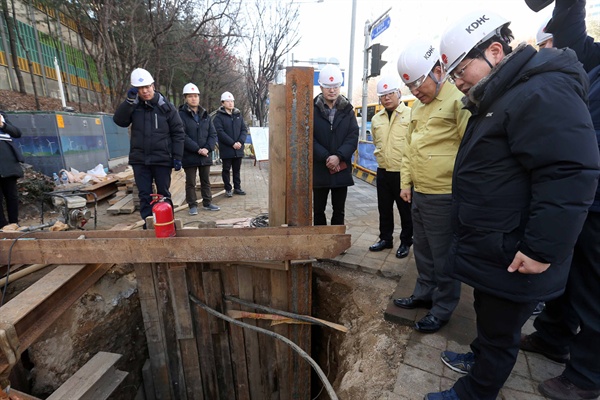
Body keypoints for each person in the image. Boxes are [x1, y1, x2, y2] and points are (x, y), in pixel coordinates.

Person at [424, 9, 600, 400]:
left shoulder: (540, 91)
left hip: (516, 247)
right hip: (497, 244)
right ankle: (481, 357)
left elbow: (569, 172)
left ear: (495, 51)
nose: (456, 82)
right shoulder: (506, 92)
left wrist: (540, 248)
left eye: (459, 70)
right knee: (491, 319)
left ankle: (475, 392)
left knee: (502, 328)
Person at [519, 1, 600, 399]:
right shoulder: (593, 59)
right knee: (571, 276)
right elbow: (569, 34)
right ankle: (553, 334)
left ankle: (586, 376)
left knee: (594, 289)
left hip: (596, 198)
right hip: (584, 194)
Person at [393, 38, 470, 334]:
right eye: (410, 86)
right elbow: (410, 150)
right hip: (420, 193)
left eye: (418, 84)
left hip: (445, 195)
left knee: (444, 256)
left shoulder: (457, 100)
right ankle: (424, 293)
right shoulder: (418, 108)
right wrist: (406, 183)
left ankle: (443, 307)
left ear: (438, 70)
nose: (415, 91)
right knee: (423, 250)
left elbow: (469, 150)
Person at [113, 68, 185, 227]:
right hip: (140, 160)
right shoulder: (134, 106)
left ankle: (167, 223)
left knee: (163, 194)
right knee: (144, 195)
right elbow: (120, 121)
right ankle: (148, 224)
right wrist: (128, 102)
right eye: (140, 88)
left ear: (153, 85)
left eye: (147, 87)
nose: (145, 91)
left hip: (162, 159)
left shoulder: (165, 107)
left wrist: (178, 157)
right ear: (135, 90)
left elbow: (178, 133)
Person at [367, 75, 413, 258]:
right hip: (383, 170)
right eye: (383, 95)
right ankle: (385, 239)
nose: (386, 98)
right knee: (384, 208)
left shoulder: (411, 114)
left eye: (390, 93)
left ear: (399, 93)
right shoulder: (377, 119)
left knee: (405, 211)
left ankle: (406, 241)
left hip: (403, 172)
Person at [312, 64, 359, 226]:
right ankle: (320, 239)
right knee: (318, 209)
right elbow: (309, 138)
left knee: (339, 209)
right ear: (321, 86)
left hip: (341, 167)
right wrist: (326, 157)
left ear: (340, 87)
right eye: (327, 87)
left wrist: (338, 156)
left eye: (335, 86)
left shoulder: (347, 110)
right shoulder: (312, 109)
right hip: (320, 166)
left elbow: (353, 136)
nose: (332, 90)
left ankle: (337, 240)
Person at [179, 83, 220, 214]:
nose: (193, 99)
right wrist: (197, 149)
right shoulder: (180, 115)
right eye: (190, 96)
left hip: (205, 155)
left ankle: (207, 202)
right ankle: (192, 205)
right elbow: (182, 135)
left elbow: (212, 134)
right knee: (190, 182)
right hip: (190, 155)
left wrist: (208, 148)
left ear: (199, 98)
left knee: (205, 180)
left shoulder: (205, 115)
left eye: (195, 96)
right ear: (185, 98)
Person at [213, 91, 248, 197]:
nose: (230, 103)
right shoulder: (218, 117)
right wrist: (232, 143)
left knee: (237, 169)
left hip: (238, 148)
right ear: (222, 103)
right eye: (228, 101)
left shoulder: (238, 115)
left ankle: (237, 187)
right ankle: (228, 188)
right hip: (227, 148)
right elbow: (220, 132)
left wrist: (240, 142)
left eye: (232, 101)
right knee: (226, 169)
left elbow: (244, 130)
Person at [0, 112, 24, 229]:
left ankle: (14, 224)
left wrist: (2, 125)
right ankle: (3, 227)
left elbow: (17, 133)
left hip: (8, 164)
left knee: (12, 196)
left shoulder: (2, 117)